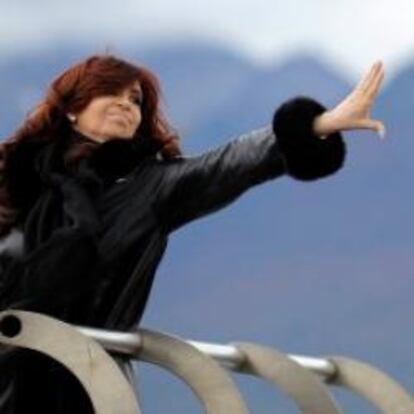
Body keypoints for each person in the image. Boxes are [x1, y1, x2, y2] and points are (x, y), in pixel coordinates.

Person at [0, 54, 384, 412]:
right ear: (72, 108)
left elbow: (230, 164)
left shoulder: (153, 189)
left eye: (135, 100)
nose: (125, 104)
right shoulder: (17, 183)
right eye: (109, 92)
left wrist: (316, 127)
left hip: (88, 387)